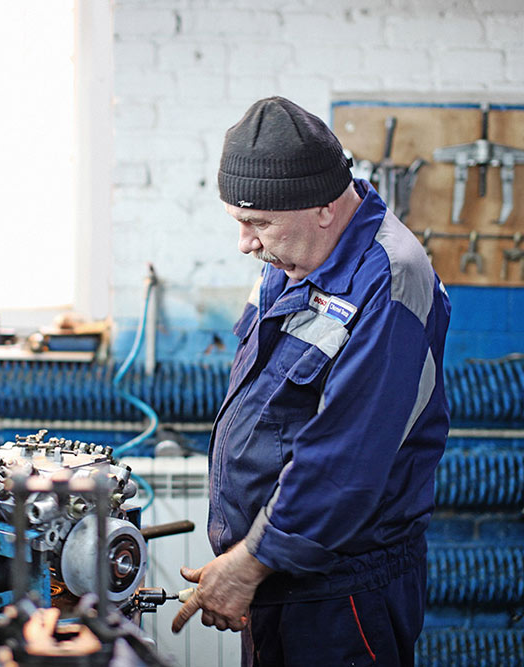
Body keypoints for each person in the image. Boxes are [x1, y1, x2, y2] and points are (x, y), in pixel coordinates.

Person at [171, 96, 451, 666]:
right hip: (277, 577)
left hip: (341, 598)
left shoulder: (391, 278)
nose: (245, 244)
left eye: (259, 223)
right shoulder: (293, 260)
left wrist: (247, 563)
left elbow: (345, 460)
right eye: (239, 222)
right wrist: (249, 560)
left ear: (323, 207)